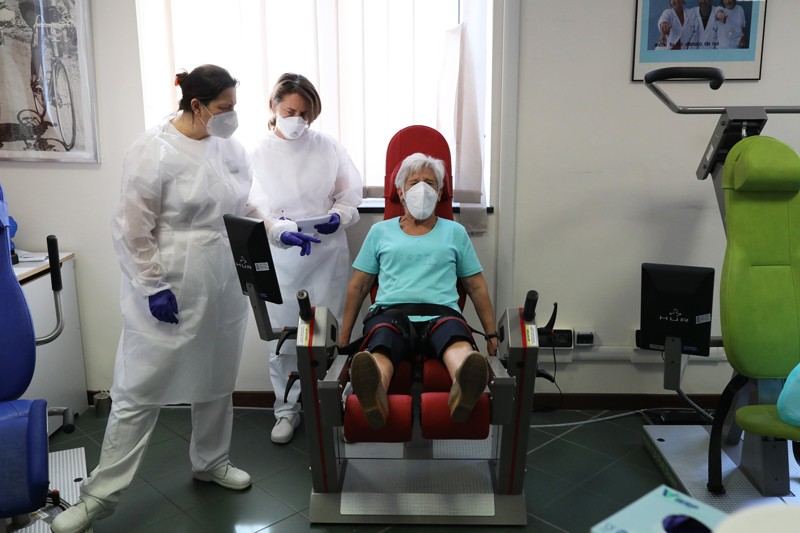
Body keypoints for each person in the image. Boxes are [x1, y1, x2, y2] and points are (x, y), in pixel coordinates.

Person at [50, 64, 317, 533]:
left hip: (222, 280)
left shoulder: (230, 148)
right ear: (196, 105)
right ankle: (99, 496)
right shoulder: (153, 150)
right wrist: (152, 285)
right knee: (138, 389)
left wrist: (279, 230)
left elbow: (245, 206)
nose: (232, 116)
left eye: (234, 105)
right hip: (170, 282)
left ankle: (211, 462)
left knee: (216, 377)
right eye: (224, 108)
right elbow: (131, 227)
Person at [338, 153, 498, 429]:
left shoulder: (455, 232)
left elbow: (476, 285)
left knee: (456, 341)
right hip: (390, 315)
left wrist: (492, 334)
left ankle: (465, 386)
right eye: (414, 183)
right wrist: (342, 340)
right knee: (382, 346)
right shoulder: (380, 232)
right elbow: (359, 285)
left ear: (439, 193)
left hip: (442, 315)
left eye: (430, 183)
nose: (422, 189)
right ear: (400, 192)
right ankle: (374, 393)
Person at [249, 73, 362, 444]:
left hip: (326, 255)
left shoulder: (328, 147)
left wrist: (338, 217)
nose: (298, 119)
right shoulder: (258, 155)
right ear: (273, 107)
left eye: (305, 114)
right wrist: (279, 231)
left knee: (332, 333)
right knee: (282, 340)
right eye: (290, 111)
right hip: (282, 260)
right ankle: (286, 411)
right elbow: (256, 207)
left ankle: (335, 403)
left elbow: (350, 194)